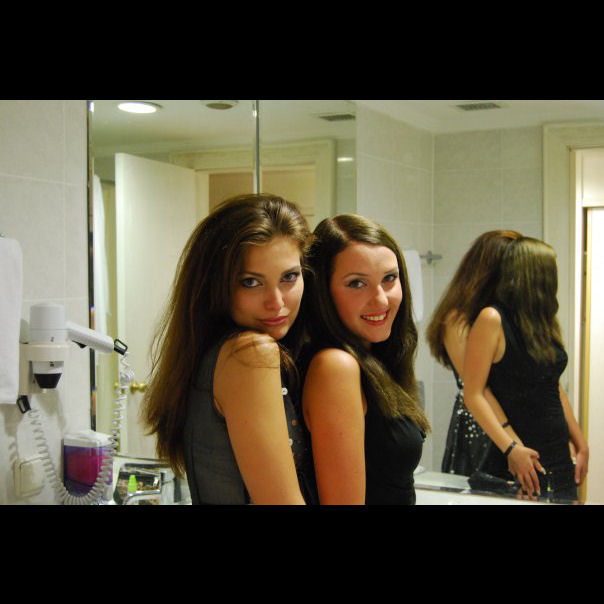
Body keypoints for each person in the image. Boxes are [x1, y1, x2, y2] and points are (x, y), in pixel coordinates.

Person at [141, 193, 317, 505]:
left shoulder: (210, 353)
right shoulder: (249, 354)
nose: (276, 302)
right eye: (251, 282)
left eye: (289, 277)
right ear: (216, 284)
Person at [300, 214, 430, 505]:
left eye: (389, 278)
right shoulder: (335, 366)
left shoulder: (374, 358)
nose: (381, 300)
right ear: (322, 292)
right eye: (357, 283)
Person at [463, 236, 589, 501]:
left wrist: (580, 443)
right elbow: (473, 394)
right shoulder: (492, 319)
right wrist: (511, 448)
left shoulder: (542, 322)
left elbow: (553, 386)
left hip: (558, 457)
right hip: (521, 459)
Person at [426, 230, 524, 477]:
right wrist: (511, 439)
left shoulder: (509, 315)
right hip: (480, 426)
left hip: (509, 424)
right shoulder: (457, 320)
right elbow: (477, 388)